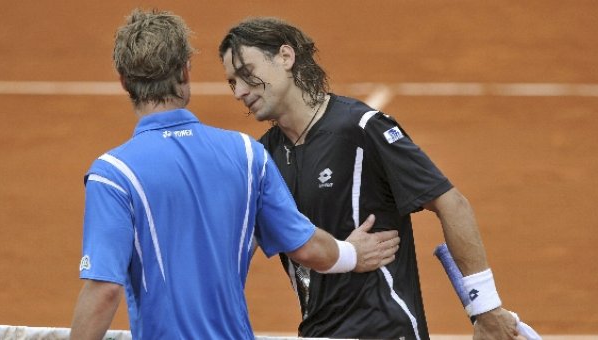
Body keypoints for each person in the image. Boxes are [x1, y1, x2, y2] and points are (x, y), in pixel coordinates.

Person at [69, 9, 400, 340]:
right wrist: (352, 253)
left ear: (124, 81)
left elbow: (103, 291)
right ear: (185, 72)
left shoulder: (113, 174)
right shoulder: (246, 154)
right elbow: (307, 247)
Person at [219, 17, 526, 340]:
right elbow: (231, 249)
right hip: (319, 332)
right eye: (231, 82)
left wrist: (487, 308)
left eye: (246, 73)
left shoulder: (362, 128)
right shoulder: (262, 157)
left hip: (384, 328)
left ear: (285, 57)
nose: (239, 91)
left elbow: (452, 204)